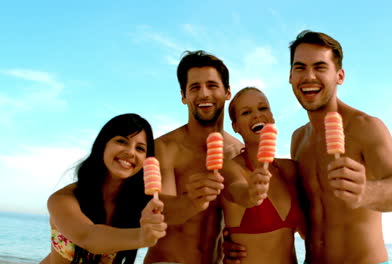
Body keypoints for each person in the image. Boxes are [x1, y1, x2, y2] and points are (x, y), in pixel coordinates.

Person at [225, 31, 392, 264]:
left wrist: (366, 192)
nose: (309, 76)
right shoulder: (299, 139)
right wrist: (235, 240)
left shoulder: (364, 127)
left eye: (320, 67)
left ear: (340, 76)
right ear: (291, 76)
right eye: (300, 67)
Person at [144, 50, 244, 264]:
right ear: (183, 96)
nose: (204, 94)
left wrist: (241, 247)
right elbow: (160, 212)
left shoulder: (239, 152)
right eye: (195, 87)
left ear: (227, 92)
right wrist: (192, 202)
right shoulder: (165, 148)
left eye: (212, 85)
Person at [41, 113, 167, 264]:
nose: (131, 152)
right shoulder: (63, 199)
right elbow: (88, 237)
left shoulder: (141, 206)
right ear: (102, 145)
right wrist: (141, 236)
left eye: (140, 148)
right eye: (121, 141)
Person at [220, 87, 305, 264]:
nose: (257, 115)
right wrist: (251, 194)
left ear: (272, 117)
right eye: (246, 112)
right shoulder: (229, 168)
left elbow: (308, 231)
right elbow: (238, 192)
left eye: (262, 108)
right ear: (236, 127)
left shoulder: (290, 169)